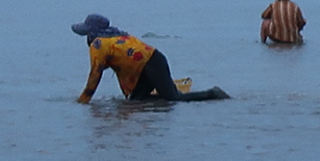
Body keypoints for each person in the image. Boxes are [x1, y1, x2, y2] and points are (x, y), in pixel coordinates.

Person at [72, 14, 228, 102]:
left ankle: (212, 94)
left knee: (174, 98)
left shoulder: (99, 44)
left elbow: (95, 75)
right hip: (148, 66)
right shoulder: (116, 36)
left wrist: (83, 100)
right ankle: (157, 107)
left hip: (152, 63)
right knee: (136, 101)